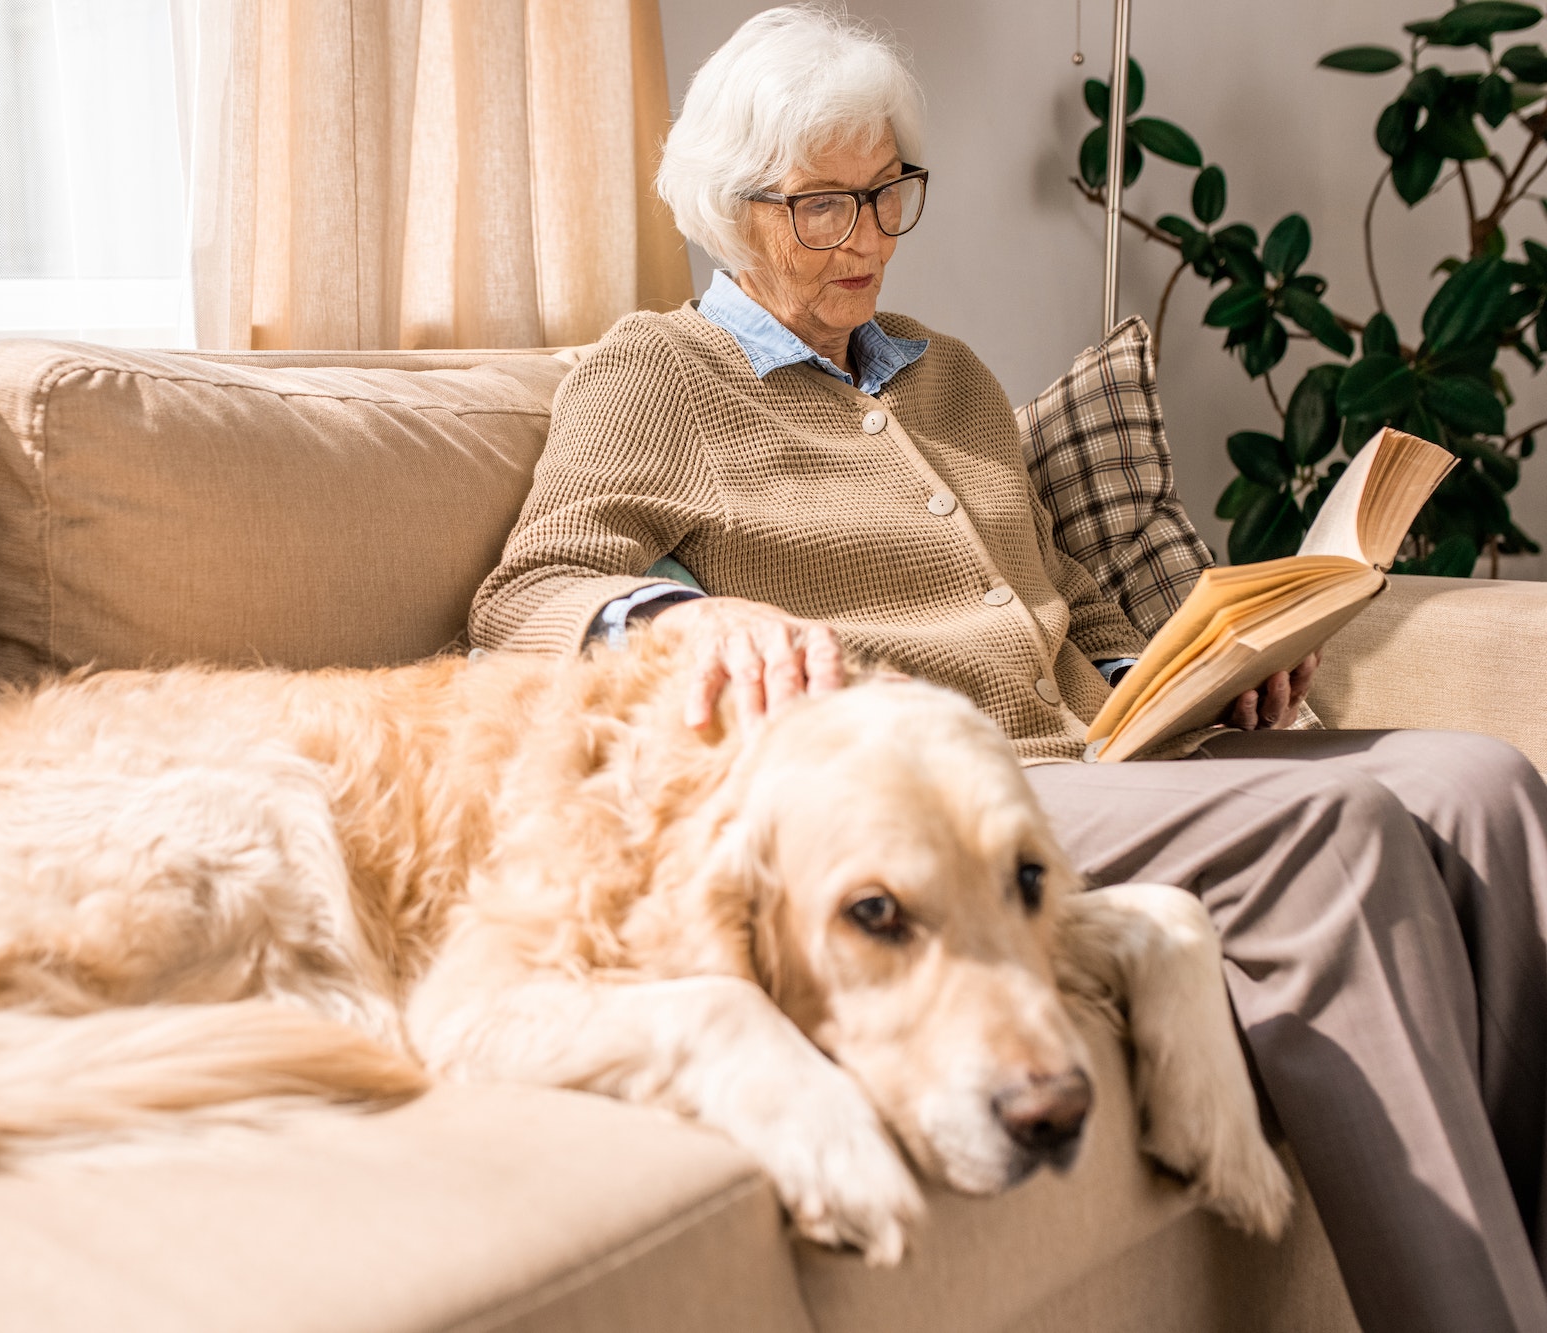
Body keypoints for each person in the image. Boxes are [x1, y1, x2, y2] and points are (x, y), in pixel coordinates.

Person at [468, 8, 1547, 1331]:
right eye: (822, 205)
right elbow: (523, 596)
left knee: (1486, 782)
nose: (865, 235)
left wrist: (1176, 668)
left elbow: (1068, 602)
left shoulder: (957, 381)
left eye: (886, 192)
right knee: (1343, 827)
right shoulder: (655, 375)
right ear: (726, 209)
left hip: (1097, 748)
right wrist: (687, 620)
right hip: (942, 800)